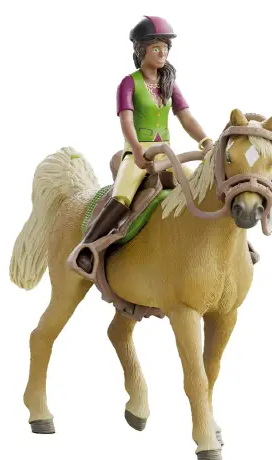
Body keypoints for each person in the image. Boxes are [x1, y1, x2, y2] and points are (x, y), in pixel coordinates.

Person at [75, 16, 214, 274]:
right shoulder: (130, 83)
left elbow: (186, 117)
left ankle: (232, 239)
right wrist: (138, 151)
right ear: (142, 50)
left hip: (166, 155)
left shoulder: (169, 84)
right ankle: (87, 247)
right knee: (123, 195)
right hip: (139, 155)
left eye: (165, 48)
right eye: (156, 48)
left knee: (199, 185)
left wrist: (205, 141)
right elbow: (126, 120)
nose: (163, 54)